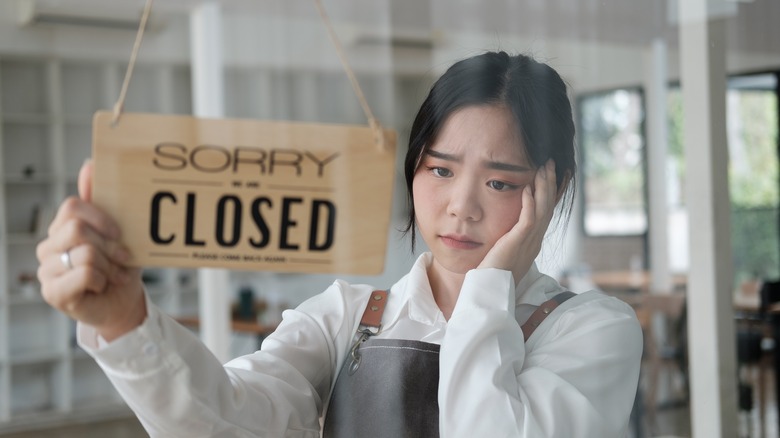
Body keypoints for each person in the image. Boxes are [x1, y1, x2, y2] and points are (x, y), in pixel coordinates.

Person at [36, 51, 642, 437]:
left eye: (500, 181)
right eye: (439, 170)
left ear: (550, 186)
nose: (461, 205)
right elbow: (229, 420)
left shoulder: (590, 329)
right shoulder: (348, 316)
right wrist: (125, 322)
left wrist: (491, 287)